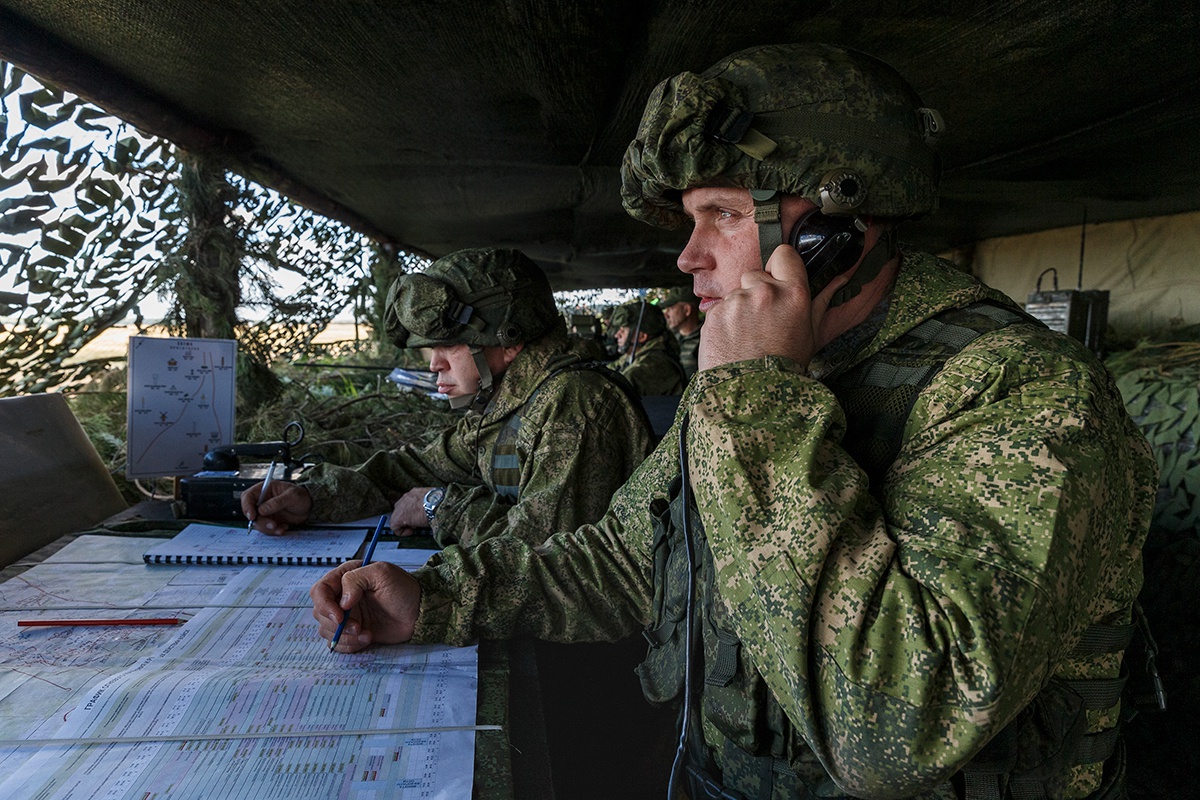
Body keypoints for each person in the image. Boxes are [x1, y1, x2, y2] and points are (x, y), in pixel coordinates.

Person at [310, 44, 1155, 800]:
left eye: (721, 214)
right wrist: (439, 597)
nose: (688, 256)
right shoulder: (765, 375)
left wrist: (754, 395)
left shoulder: (1019, 391)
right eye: (690, 220)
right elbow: (625, 559)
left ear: (835, 226)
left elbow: (898, 733)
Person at [244, 247, 654, 548]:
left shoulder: (575, 405)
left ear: (509, 341)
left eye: (449, 347)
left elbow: (549, 552)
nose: (434, 365)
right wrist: (314, 496)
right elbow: (417, 469)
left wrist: (441, 507)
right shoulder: (507, 401)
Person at [608, 299, 687, 396]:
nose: (617, 335)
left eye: (623, 330)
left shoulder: (654, 365)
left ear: (641, 336)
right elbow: (610, 369)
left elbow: (612, 395)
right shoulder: (636, 354)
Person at [658, 286, 702, 378]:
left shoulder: (707, 340)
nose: (666, 314)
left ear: (686, 310)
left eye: (670, 309)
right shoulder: (666, 339)